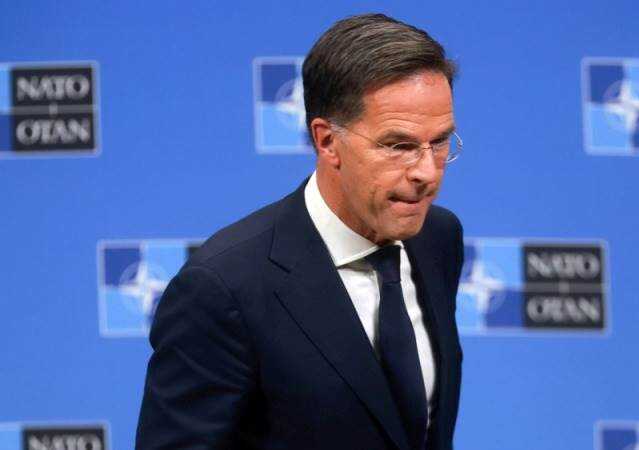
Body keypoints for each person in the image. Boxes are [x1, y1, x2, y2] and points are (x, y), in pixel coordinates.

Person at [136, 13, 465, 450]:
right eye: (398, 146)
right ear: (327, 141)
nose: (427, 172)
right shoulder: (223, 289)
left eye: (439, 142)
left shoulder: (438, 238)